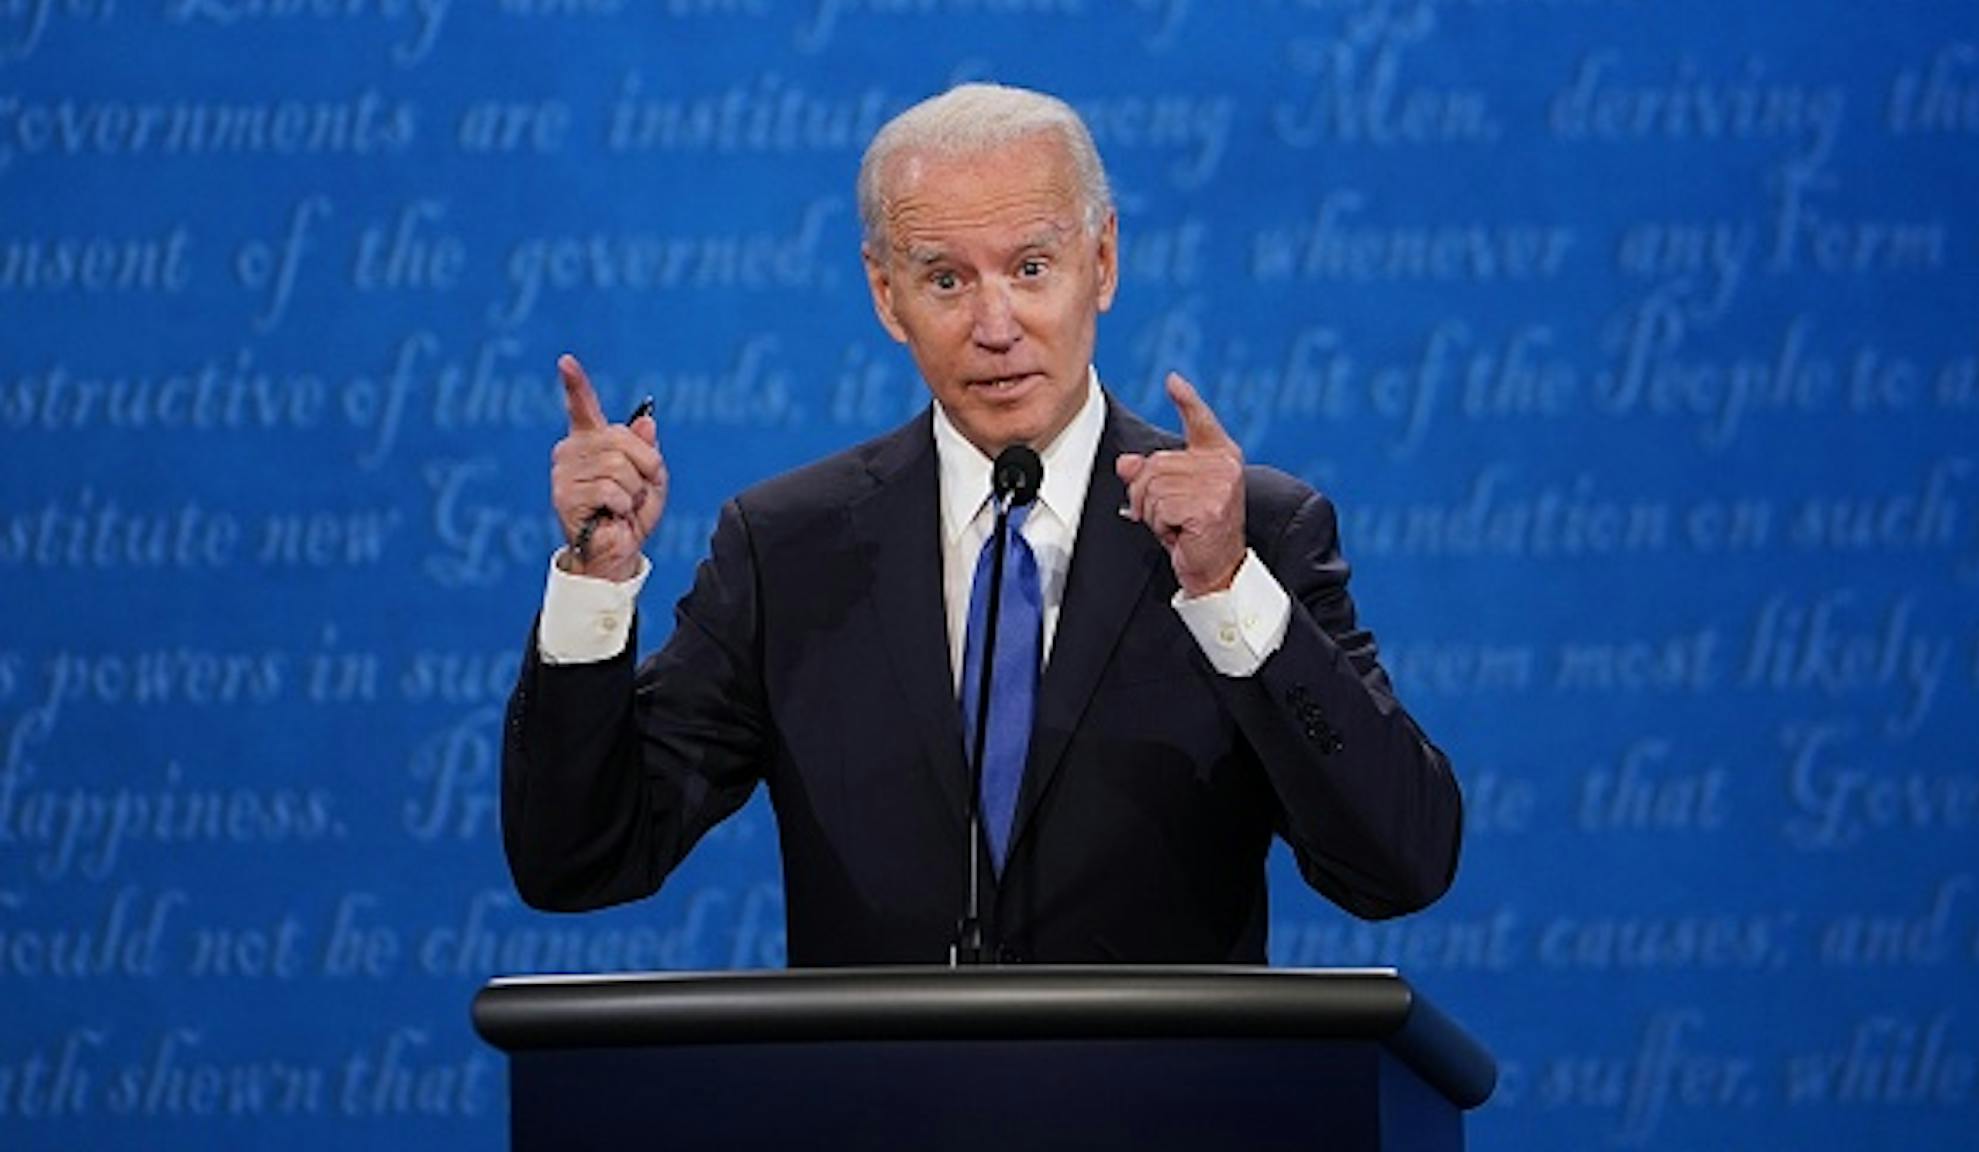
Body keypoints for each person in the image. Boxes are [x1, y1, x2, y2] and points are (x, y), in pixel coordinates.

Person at [501, 82, 1461, 966]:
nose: (995, 324)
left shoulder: (1257, 535)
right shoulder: (787, 549)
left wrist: (1227, 593)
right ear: (888, 296)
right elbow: (580, 860)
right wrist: (594, 575)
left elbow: (1400, 866)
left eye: (1032, 267)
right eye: (948, 280)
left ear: (1104, 262)